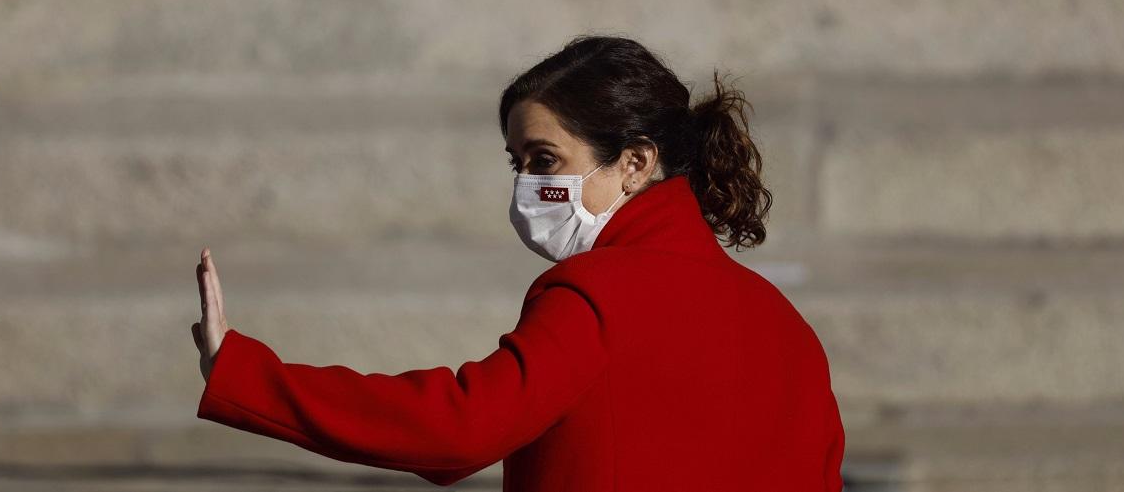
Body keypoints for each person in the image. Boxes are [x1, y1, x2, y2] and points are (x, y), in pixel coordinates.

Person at [192, 34, 846, 490]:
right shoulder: (786, 325)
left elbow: (461, 426)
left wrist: (246, 372)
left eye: (544, 160)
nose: (525, 184)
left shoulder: (595, 293)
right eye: (519, 164)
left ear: (636, 162)